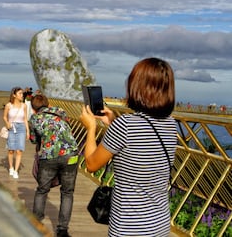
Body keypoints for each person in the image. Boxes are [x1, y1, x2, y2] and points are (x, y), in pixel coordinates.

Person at [79, 57, 177, 236]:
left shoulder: (125, 125)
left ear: (136, 86)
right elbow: (139, 144)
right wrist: (112, 123)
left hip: (129, 227)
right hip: (160, 225)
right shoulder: (170, 124)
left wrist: (91, 128)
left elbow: (92, 164)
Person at [29, 94, 79, 237]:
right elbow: (67, 128)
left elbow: (33, 140)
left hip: (49, 155)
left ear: (33, 108)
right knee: (67, 192)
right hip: (71, 155)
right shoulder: (61, 112)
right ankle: (62, 230)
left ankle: (37, 223)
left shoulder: (35, 118)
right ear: (48, 104)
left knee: (42, 190)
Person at [3, 86, 29, 179]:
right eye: (20, 93)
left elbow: (25, 119)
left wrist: (27, 131)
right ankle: (11, 167)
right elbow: (4, 117)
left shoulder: (24, 106)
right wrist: (7, 123)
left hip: (21, 127)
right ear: (14, 95)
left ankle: (16, 170)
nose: (22, 95)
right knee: (11, 150)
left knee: (19, 150)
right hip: (11, 127)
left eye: (22, 93)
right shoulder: (8, 105)